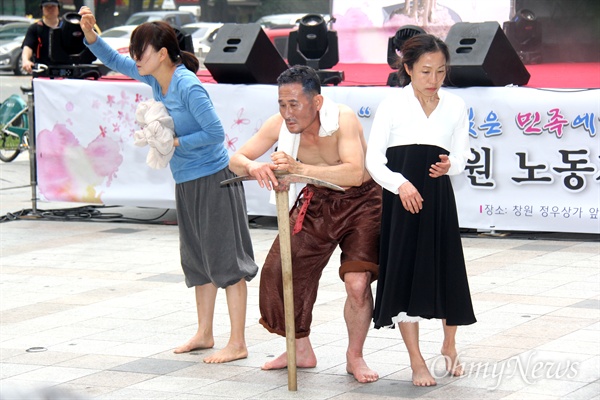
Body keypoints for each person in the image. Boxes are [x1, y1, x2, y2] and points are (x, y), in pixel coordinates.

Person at [78, 6, 259, 364]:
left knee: (226, 260)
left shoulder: (187, 85)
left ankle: (237, 342)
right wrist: (90, 34)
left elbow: (216, 134)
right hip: (187, 181)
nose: (135, 59)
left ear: (162, 54)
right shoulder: (154, 78)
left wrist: (173, 143)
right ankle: (205, 333)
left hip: (214, 181)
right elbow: (113, 59)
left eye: (140, 52)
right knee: (197, 260)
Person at [229, 65, 382, 383]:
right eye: (282, 104)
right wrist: (254, 166)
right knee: (279, 270)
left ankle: (355, 356)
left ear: (317, 103)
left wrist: (299, 168)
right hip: (318, 200)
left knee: (357, 283)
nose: (287, 113)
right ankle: (299, 348)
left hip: (363, 201)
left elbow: (354, 172)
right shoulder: (279, 124)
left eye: (294, 104)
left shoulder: (343, 118)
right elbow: (236, 158)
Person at [365, 33, 477, 387]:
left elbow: (463, 154)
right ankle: (416, 362)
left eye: (441, 72)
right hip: (403, 200)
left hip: (439, 197)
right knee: (405, 273)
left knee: (448, 270)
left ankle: (449, 345)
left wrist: (451, 166)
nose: (434, 80)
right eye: (426, 71)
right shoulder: (392, 105)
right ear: (408, 69)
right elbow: (373, 160)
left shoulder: (456, 106)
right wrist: (400, 184)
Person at [21, 0, 62, 74]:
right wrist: (26, 60)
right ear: (42, 9)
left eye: (53, 6)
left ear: (58, 9)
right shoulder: (35, 28)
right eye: (47, 7)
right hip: (41, 70)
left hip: (65, 70)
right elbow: (27, 46)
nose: (50, 9)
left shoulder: (65, 27)